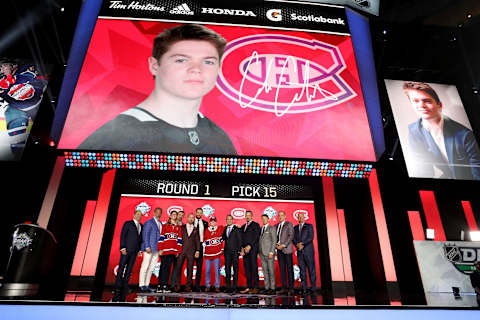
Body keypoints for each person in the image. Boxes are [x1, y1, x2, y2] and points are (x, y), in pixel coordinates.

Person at [78, 24, 237, 155]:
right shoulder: (115, 137)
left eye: (208, 62)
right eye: (181, 60)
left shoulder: (219, 137)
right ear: (154, 66)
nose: (196, 69)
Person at [403, 82, 480, 180]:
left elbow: (477, 174)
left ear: (439, 105)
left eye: (427, 101)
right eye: (415, 101)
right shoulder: (414, 131)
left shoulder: (466, 135)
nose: (421, 105)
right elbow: (424, 172)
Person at [0, 58, 47, 159]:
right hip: (18, 108)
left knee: (47, 131)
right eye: (1, 67)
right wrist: (8, 78)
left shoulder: (26, 68)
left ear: (13, 65)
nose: (2, 69)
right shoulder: (2, 80)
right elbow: (4, 86)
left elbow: (25, 78)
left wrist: (9, 77)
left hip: (38, 101)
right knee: (11, 116)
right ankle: (18, 151)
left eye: (4, 65)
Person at [113, 210, 143, 302]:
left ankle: (125, 286)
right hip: (126, 250)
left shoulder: (141, 226)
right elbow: (123, 235)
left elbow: (140, 239)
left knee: (129, 270)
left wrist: (139, 250)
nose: (139, 216)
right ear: (134, 215)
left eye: (140, 215)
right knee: (121, 267)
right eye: (137, 214)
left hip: (134, 251)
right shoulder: (128, 223)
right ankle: (117, 286)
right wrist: (122, 247)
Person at [175, 213, 201, 292]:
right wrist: (177, 249)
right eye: (190, 217)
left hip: (191, 252)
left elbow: (197, 241)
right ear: (187, 218)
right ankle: (177, 285)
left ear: (194, 219)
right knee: (178, 268)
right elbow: (177, 239)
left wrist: (197, 250)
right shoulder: (181, 227)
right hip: (181, 251)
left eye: (192, 218)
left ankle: (188, 286)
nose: (191, 219)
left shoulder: (196, 229)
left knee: (190, 269)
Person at [139, 207, 163, 292]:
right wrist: (147, 246)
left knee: (151, 268)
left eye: (160, 213)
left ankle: (147, 284)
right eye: (157, 212)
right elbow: (145, 235)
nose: (158, 214)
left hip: (156, 249)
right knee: (145, 266)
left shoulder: (160, 223)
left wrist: (160, 249)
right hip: (148, 248)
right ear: (154, 213)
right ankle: (142, 284)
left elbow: (161, 238)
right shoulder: (149, 222)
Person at [157, 211, 181, 293]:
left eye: (176, 214)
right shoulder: (165, 226)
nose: (174, 216)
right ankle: (160, 285)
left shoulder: (178, 227)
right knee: (163, 267)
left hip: (172, 251)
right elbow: (161, 238)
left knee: (168, 268)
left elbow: (179, 240)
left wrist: (178, 250)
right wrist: (160, 249)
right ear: (170, 216)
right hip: (164, 250)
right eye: (173, 214)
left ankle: (165, 285)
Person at [293, 212, 316, 295]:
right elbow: (293, 238)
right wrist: (297, 244)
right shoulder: (295, 228)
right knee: (302, 271)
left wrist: (302, 244)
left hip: (308, 252)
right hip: (299, 252)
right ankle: (304, 288)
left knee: (311, 270)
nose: (300, 218)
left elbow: (311, 237)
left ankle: (313, 288)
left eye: (301, 217)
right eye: (298, 217)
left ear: (304, 217)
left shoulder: (309, 226)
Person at [240, 210, 261, 294]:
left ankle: (256, 287)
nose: (247, 217)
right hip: (245, 251)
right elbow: (241, 238)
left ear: (252, 216)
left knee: (254, 268)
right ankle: (249, 287)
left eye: (249, 215)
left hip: (252, 250)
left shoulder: (256, 225)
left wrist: (250, 245)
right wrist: (242, 248)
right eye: (246, 215)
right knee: (247, 269)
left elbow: (256, 237)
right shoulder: (243, 226)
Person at [222, 215, 242, 293]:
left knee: (235, 270)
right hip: (227, 252)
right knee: (227, 269)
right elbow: (223, 238)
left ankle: (234, 287)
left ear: (233, 220)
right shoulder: (225, 228)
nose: (229, 221)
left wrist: (239, 250)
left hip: (235, 252)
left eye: (230, 219)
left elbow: (240, 240)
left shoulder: (237, 229)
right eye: (227, 219)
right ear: (226, 220)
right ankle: (228, 287)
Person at [275, 210, 295, 295]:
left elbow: (291, 236)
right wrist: (276, 245)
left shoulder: (289, 224)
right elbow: (275, 237)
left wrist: (283, 245)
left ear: (285, 216)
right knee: (282, 270)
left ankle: (291, 288)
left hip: (287, 250)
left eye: (282, 215)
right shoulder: (276, 226)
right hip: (279, 250)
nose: (280, 217)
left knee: (289, 270)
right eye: (279, 215)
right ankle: (284, 288)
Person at [203, 216, 224, 292]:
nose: (213, 222)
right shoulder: (206, 230)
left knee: (216, 270)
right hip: (208, 254)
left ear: (216, 222)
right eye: (211, 221)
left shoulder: (220, 229)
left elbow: (223, 238)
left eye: (214, 221)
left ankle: (217, 286)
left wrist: (236, 225)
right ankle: (207, 285)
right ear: (209, 222)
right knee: (207, 270)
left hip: (217, 254)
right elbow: (204, 241)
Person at [258, 214, 277, 295]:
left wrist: (271, 252)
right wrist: (259, 252)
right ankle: (267, 288)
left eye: (265, 219)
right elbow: (260, 242)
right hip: (262, 253)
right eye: (262, 219)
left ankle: (272, 288)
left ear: (268, 219)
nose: (264, 220)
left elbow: (274, 240)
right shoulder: (261, 229)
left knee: (271, 271)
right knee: (265, 272)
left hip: (269, 253)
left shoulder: (271, 228)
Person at [193, 207, 208, 291]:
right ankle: (189, 285)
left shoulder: (205, 223)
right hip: (192, 246)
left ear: (202, 214)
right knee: (190, 266)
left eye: (200, 213)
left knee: (199, 266)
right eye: (197, 212)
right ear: (196, 212)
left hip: (201, 245)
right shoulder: (191, 222)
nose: (199, 214)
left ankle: (197, 286)